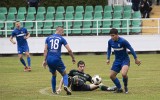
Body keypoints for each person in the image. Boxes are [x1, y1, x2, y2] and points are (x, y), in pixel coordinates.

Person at [42, 26, 75, 95]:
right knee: (64, 74)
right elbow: (69, 50)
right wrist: (73, 58)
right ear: (59, 31)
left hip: (49, 59)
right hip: (56, 59)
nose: (63, 34)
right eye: (62, 32)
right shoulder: (62, 39)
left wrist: (44, 60)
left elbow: (45, 50)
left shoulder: (48, 38)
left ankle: (54, 91)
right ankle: (66, 86)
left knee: (54, 74)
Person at [106, 28, 141, 93]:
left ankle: (125, 86)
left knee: (124, 74)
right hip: (117, 61)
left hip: (125, 60)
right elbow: (109, 49)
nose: (112, 37)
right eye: (111, 35)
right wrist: (108, 58)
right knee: (111, 76)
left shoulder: (123, 41)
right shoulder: (110, 41)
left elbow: (131, 49)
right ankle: (119, 88)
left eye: (113, 35)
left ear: (117, 35)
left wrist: (136, 58)